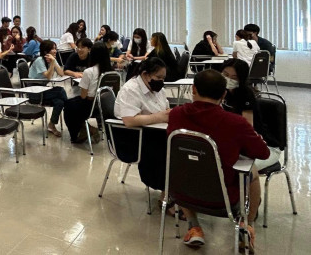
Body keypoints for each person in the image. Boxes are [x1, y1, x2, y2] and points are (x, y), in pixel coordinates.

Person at [167, 69, 269, 251]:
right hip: (223, 198)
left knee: (186, 165)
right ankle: (247, 226)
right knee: (252, 170)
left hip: (181, 192)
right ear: (223, 94)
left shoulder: (176, 114)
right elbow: (263, 153)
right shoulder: (235, 122)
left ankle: (194, 226)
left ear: (193, 89)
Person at [115, 57, 171, 193]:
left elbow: (165, 109)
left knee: (177, 142)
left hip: (152, 130)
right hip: (131, 137)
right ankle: (165, 190)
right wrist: (159, 117)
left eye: (163, 78)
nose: (161, 81)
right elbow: (129, 120)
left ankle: (175, 188)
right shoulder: (131, 89)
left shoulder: (157, 89)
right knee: (167, 147)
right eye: (158, 77)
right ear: (145, 74)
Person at [221, 59, 280, 171]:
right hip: (241, 145)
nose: (228, 79)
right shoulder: (223, 92)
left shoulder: (246, 95)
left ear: (241, 79)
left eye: (234, 77)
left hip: (266, 147)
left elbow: (247, 128)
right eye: (225, 75)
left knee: (236, 170)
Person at [64, 43, 112, 143]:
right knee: (73, 104)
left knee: (68, 105)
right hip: (105, 106)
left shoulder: (89, 71)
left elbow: (83, 96)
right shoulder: (112, 72)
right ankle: (86, 129)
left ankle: (80, 133)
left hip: (90, 105)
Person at [28, 40, 69, 137]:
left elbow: (61, 73)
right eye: (53, 49)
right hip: (34, 92)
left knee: (60, 102)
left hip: (43, 90)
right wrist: (53, 63)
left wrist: (53, 62)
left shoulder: (52, 59)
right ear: (46, 51)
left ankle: (51, 125)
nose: (55, 51)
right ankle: (70, 111)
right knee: (60, 91)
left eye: (55, 48)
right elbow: (49, 76)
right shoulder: (39, 60)